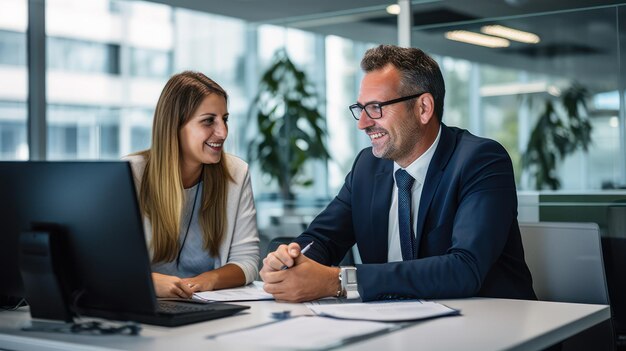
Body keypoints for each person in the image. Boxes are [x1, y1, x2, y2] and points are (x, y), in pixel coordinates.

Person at [260, 45, 536, 302]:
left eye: (376, 108)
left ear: (423, 108)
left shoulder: (480, 161)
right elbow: (321, 240)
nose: (364, 124)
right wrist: (288, 260)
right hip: (395, 324)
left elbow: (465, 268)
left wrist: (340, 281)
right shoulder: (367, 167)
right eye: (361, 109)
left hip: (488, 324)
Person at [125, 71, 259, 299]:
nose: (223, 132)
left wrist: (204, 281)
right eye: (209, 121)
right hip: (145, 308)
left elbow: (247, 261)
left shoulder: (236, 173)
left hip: (206, 305)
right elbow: (106, 263)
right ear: (174, 126)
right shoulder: (131, 174)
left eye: (224, 119)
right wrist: (146, 282)